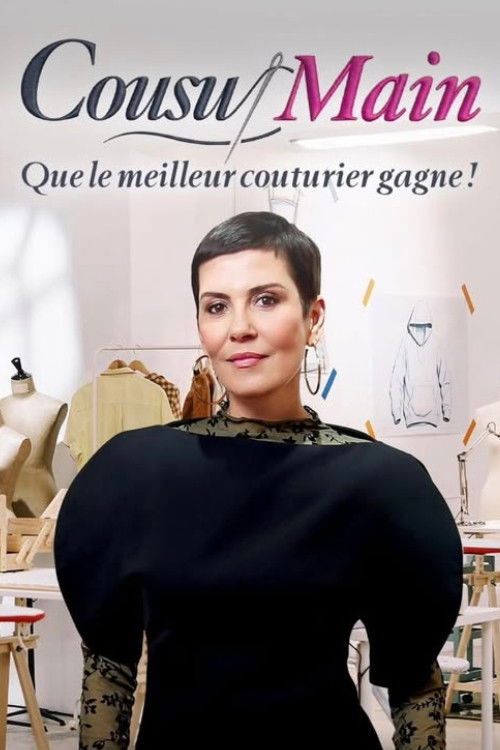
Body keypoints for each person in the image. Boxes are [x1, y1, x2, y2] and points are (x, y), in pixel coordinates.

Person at [54, 211, 463, 749]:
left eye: (266, 300)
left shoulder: (383, 484)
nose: (239, 327)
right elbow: (108, 672)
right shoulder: (130, 474)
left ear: (314, 317)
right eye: (216, 306)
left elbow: (414, 682)